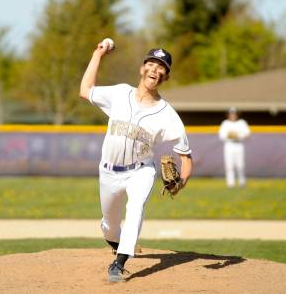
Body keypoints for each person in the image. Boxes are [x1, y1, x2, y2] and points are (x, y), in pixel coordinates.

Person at [79, 42, 193, 282]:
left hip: (140, 172)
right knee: (109, 225)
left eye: (161, 67)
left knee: (136, 208)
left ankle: (118, 264)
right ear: (142, 68)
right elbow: (85, 89)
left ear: (166, 76)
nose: (155, 69)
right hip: (108, 173)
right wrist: (97, 54)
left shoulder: (168, 115)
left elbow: (185, 157)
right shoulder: (120, 93)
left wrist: (180, 182)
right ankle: (116, 241)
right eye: (151, 64)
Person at [218, 107, 251, 188]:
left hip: (239, 145)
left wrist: (237, 136)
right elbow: (221, 136)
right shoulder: (225, 123)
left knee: (240, 165)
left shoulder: (241, 122)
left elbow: (247, 134)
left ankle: (242, 183)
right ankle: (230, 184)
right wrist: (230, 135)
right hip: (229, 146)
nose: (232, 115)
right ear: (228, 115)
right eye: (231, 113)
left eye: (234, 114)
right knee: (229, 166)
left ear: (237, 115)